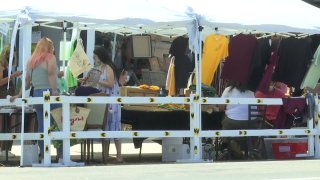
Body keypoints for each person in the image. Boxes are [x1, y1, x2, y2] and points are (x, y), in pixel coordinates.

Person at [10, 37, 62, 162]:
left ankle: (44, 156)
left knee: (42, 126)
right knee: (58, 124)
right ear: (49, 47)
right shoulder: (51, 57)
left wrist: (19, 94)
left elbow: (27, 82)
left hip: (37, 94)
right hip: (49, 92)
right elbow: (50, 74)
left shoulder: (32, 60)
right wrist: (55, 90)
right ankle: (61, 156)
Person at [79, 46, 123, 162]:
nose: (94, 58)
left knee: (115, 125)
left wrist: (95, 80)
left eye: (95, 56)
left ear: (100, 56)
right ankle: (106, 154)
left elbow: (110, 83)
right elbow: (97, 85)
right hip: (104, 99)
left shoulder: (108, 67)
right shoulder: (100, 67)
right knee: (107, 125)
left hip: (111, 99)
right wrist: (87, 82)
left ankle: (119, 155)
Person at [219, 81, 261, 160]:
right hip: (252, 124)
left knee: (224, 119)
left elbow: (221, 108)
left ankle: (230, 142)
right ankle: (248, 147)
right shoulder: (252, 91)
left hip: (233, 124)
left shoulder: (228, 90)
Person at [0, 45, 22, 157]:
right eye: (9, 55)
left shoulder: (9, 66)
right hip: (3, 95)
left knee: (9, 123)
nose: (11, 57)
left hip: (9, 96)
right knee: (3, 122)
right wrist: (13, 76)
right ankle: (3, 149)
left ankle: (7, 149)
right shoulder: (1, 66)